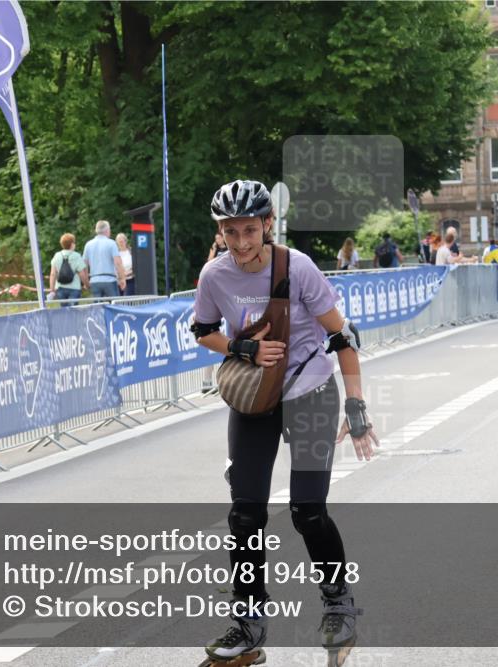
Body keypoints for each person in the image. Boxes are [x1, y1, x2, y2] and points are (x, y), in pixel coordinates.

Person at [191, 180, 378, 664]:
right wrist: (242, 347)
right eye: (230, 232)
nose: (241, 242)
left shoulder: (298, 268)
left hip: (311, 392)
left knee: (307, 511)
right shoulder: (214, 276)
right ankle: (248, 623)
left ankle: (339, 605)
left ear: (267, 225)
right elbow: (204, 331)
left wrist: (355, 408)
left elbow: (342, 336)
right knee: (244, 515)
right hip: (255, 399)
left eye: (249, 229)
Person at [82, 219, 126, 299]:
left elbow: (84, 265)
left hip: (94, 280)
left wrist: (86, 282)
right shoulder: (111, 243)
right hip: (110, 280)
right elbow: (118, 263)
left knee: (97, 308)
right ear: (107, 230)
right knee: (114, 306)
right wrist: (122, 278)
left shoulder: (88, 244)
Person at [48, 233, 89, 307]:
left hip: (60, 288)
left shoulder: (57, 255)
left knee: (64, 310)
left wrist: (52, 289)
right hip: (74, 288)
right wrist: (86, 285)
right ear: (72, 244)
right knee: (73, 310)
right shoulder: (76, 256)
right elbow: (82, 274)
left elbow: (53, 274)